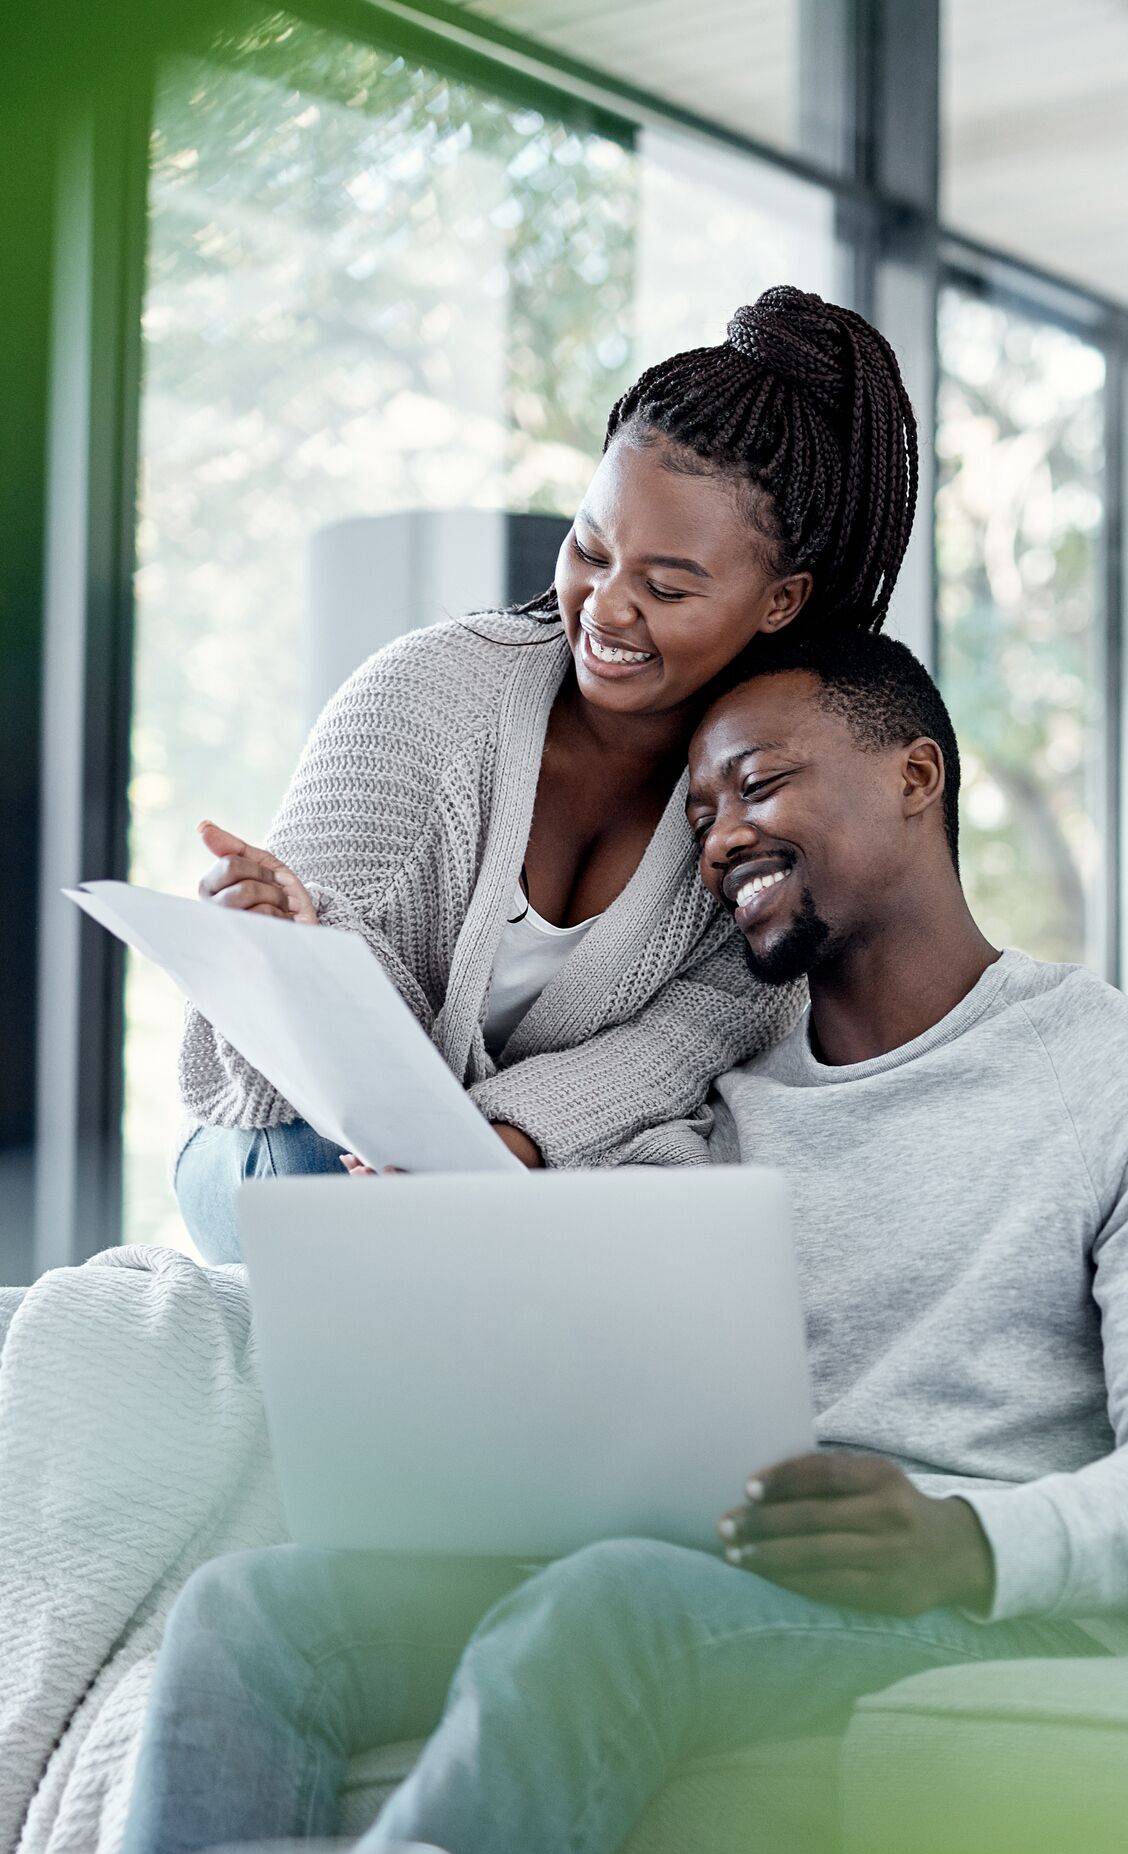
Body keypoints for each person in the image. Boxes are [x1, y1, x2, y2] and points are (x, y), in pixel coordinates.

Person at [120, 628, 1128, 1854]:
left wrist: (967, 1541)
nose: (722, 834)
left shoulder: (1126, 1074)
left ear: (915, 776)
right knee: (258, 1617)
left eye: (762, 784)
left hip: (1003, 1603)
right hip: (729, 1575)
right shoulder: (709, 1113)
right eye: (699, 813)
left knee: (614, 1604)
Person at [175, 287, 919, 1262]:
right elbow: (277, 1080)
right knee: (346, 1195)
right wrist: (295, 944)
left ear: (780, 599)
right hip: (301, 1147)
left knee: (699, 1197)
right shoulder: (423, 699)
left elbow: (709, 1025)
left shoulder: (770, 791)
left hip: (538, 1172)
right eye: (590, 549)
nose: (605, 609)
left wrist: (508, 1144)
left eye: (665, 586)